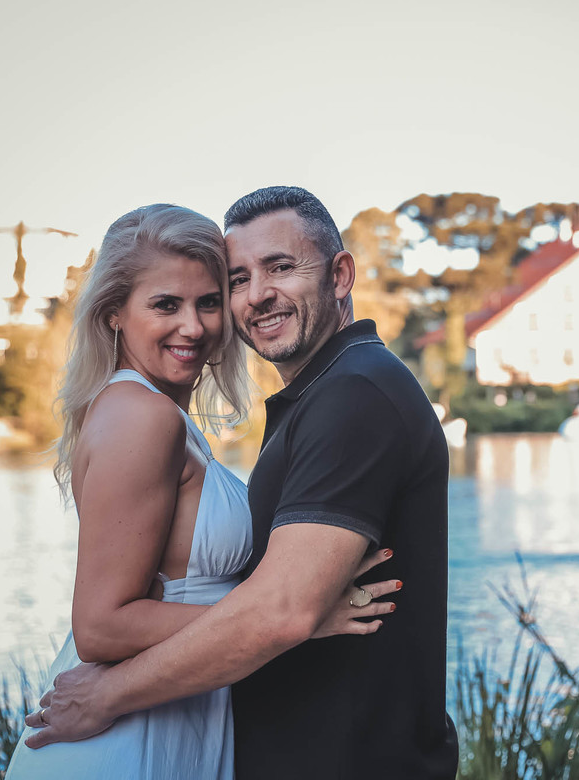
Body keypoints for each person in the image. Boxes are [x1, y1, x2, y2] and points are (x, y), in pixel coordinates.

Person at [24, 187, 459, 779]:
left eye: (280, 268)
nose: (254, 297)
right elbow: (108, 623)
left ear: (340, 275)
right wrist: (297, 618)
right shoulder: (146, 414)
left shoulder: (351, 391)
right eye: (238, 279)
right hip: (136, 729)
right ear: (113, 314)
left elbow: (281, 610)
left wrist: (290, 615)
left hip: (295, 743)